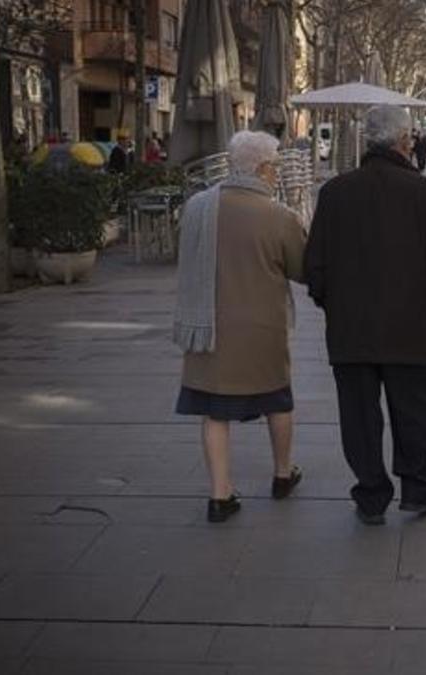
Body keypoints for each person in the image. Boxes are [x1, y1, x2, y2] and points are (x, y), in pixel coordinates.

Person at [304, 105, 426, 526]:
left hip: (350, 332)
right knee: (414, 414)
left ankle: (371, 495)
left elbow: (314, 266)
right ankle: (417, 489)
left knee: (358, 419)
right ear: (403, 140)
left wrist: (334, 306)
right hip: (411, 331)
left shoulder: (334, 193)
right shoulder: (423, 192)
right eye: (409, 136)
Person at [173, 130, 309, 523]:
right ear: (265, 168)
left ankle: (220, 496)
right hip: (263, 328)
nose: (277, 172)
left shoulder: (199, 206)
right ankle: (283, 475)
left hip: (209, 327)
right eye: (277, 165)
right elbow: (302, 269)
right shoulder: (279, 216)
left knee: (214, 412)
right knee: (277, 401)